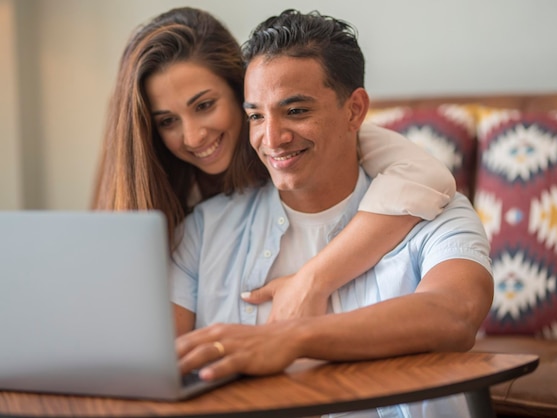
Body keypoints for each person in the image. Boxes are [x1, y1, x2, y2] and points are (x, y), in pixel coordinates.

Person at [172, 9, 494, 418]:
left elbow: (456, 313)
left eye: (296, 111)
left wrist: (291, 338)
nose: (271, 138)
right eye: (256, 115)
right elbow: (150, 365)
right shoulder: (203, 231)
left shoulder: (436, 215)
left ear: (355, 110)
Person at [91, 6, 457, 323]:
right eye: (167, 121)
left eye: (204, 106)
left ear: (242, 92)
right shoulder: (182, 208)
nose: (193, 137)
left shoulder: (335, 140)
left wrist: (311, 280)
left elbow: (427, 177)